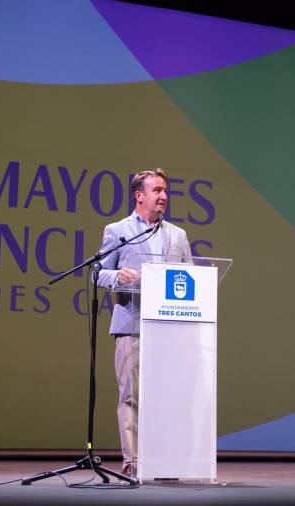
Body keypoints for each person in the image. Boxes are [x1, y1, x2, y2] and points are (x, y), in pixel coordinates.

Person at [97, 169, 191, 477]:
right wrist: (117, 276)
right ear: (139, 195)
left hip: (168, 328)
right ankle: (133, 462)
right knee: (131, 395)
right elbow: (97, 272)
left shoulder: (178, 235)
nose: (164, 196)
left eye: (166, 190)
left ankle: (164, 462)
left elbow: (191, 279)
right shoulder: (118, 230)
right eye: (158, 190)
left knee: (167, 396)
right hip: (132, 324)